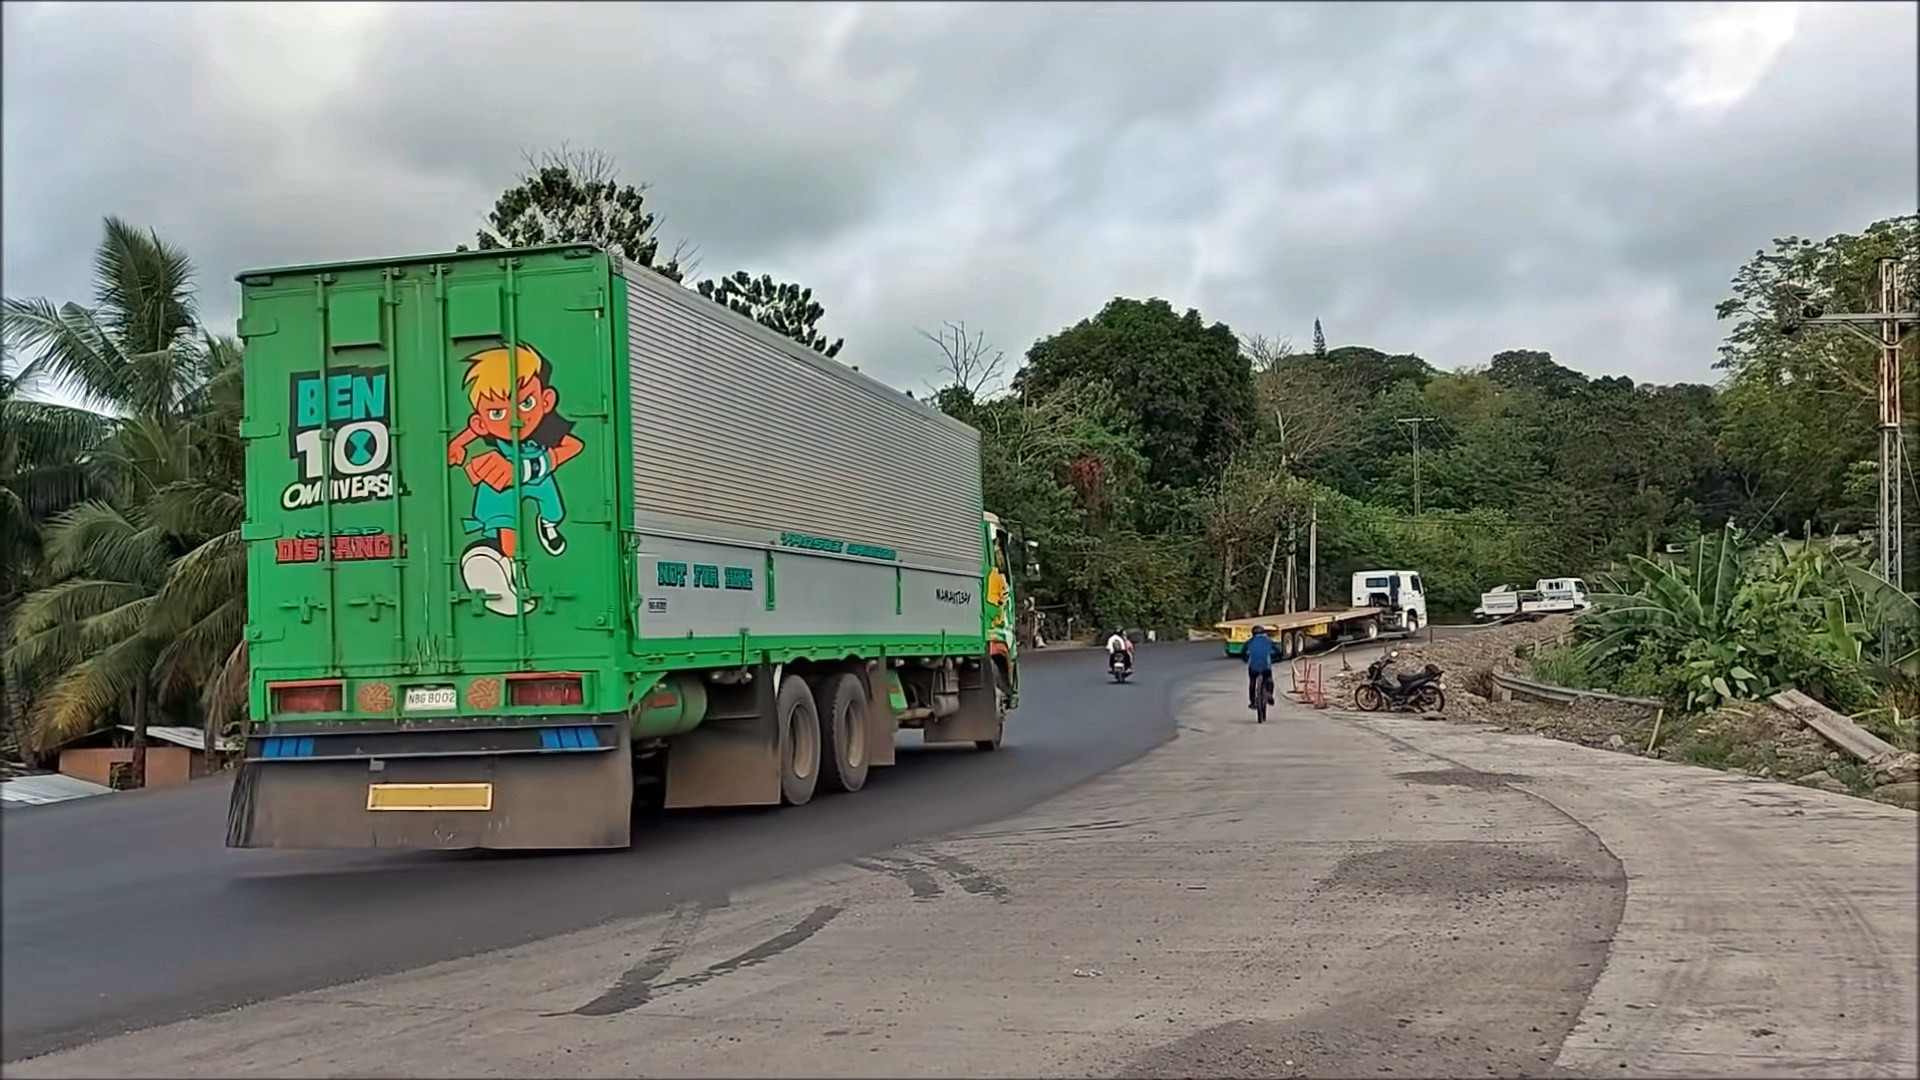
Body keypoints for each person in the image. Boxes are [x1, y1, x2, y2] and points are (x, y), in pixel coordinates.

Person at [1244, 626, 1277, 710]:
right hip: (1265, 667)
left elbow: (1243, 652)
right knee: (1269, 679)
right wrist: (1276, 658)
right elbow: (1277, 651)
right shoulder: (1268, 641)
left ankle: (1252, 702)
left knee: (1252, 682)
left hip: (1253, 667)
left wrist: (1246, 659)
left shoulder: (1250, 642)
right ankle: (1269, 694)